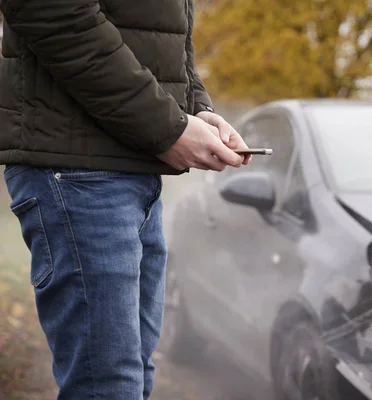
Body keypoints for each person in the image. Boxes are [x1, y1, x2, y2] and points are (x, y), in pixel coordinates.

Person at [0, 0, 251, 398]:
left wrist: (195, 110)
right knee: (108, 386)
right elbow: (50, 10)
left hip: (132, 165)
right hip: (80, 170)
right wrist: (168, 129)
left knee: (132, 375)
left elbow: (163, 37)